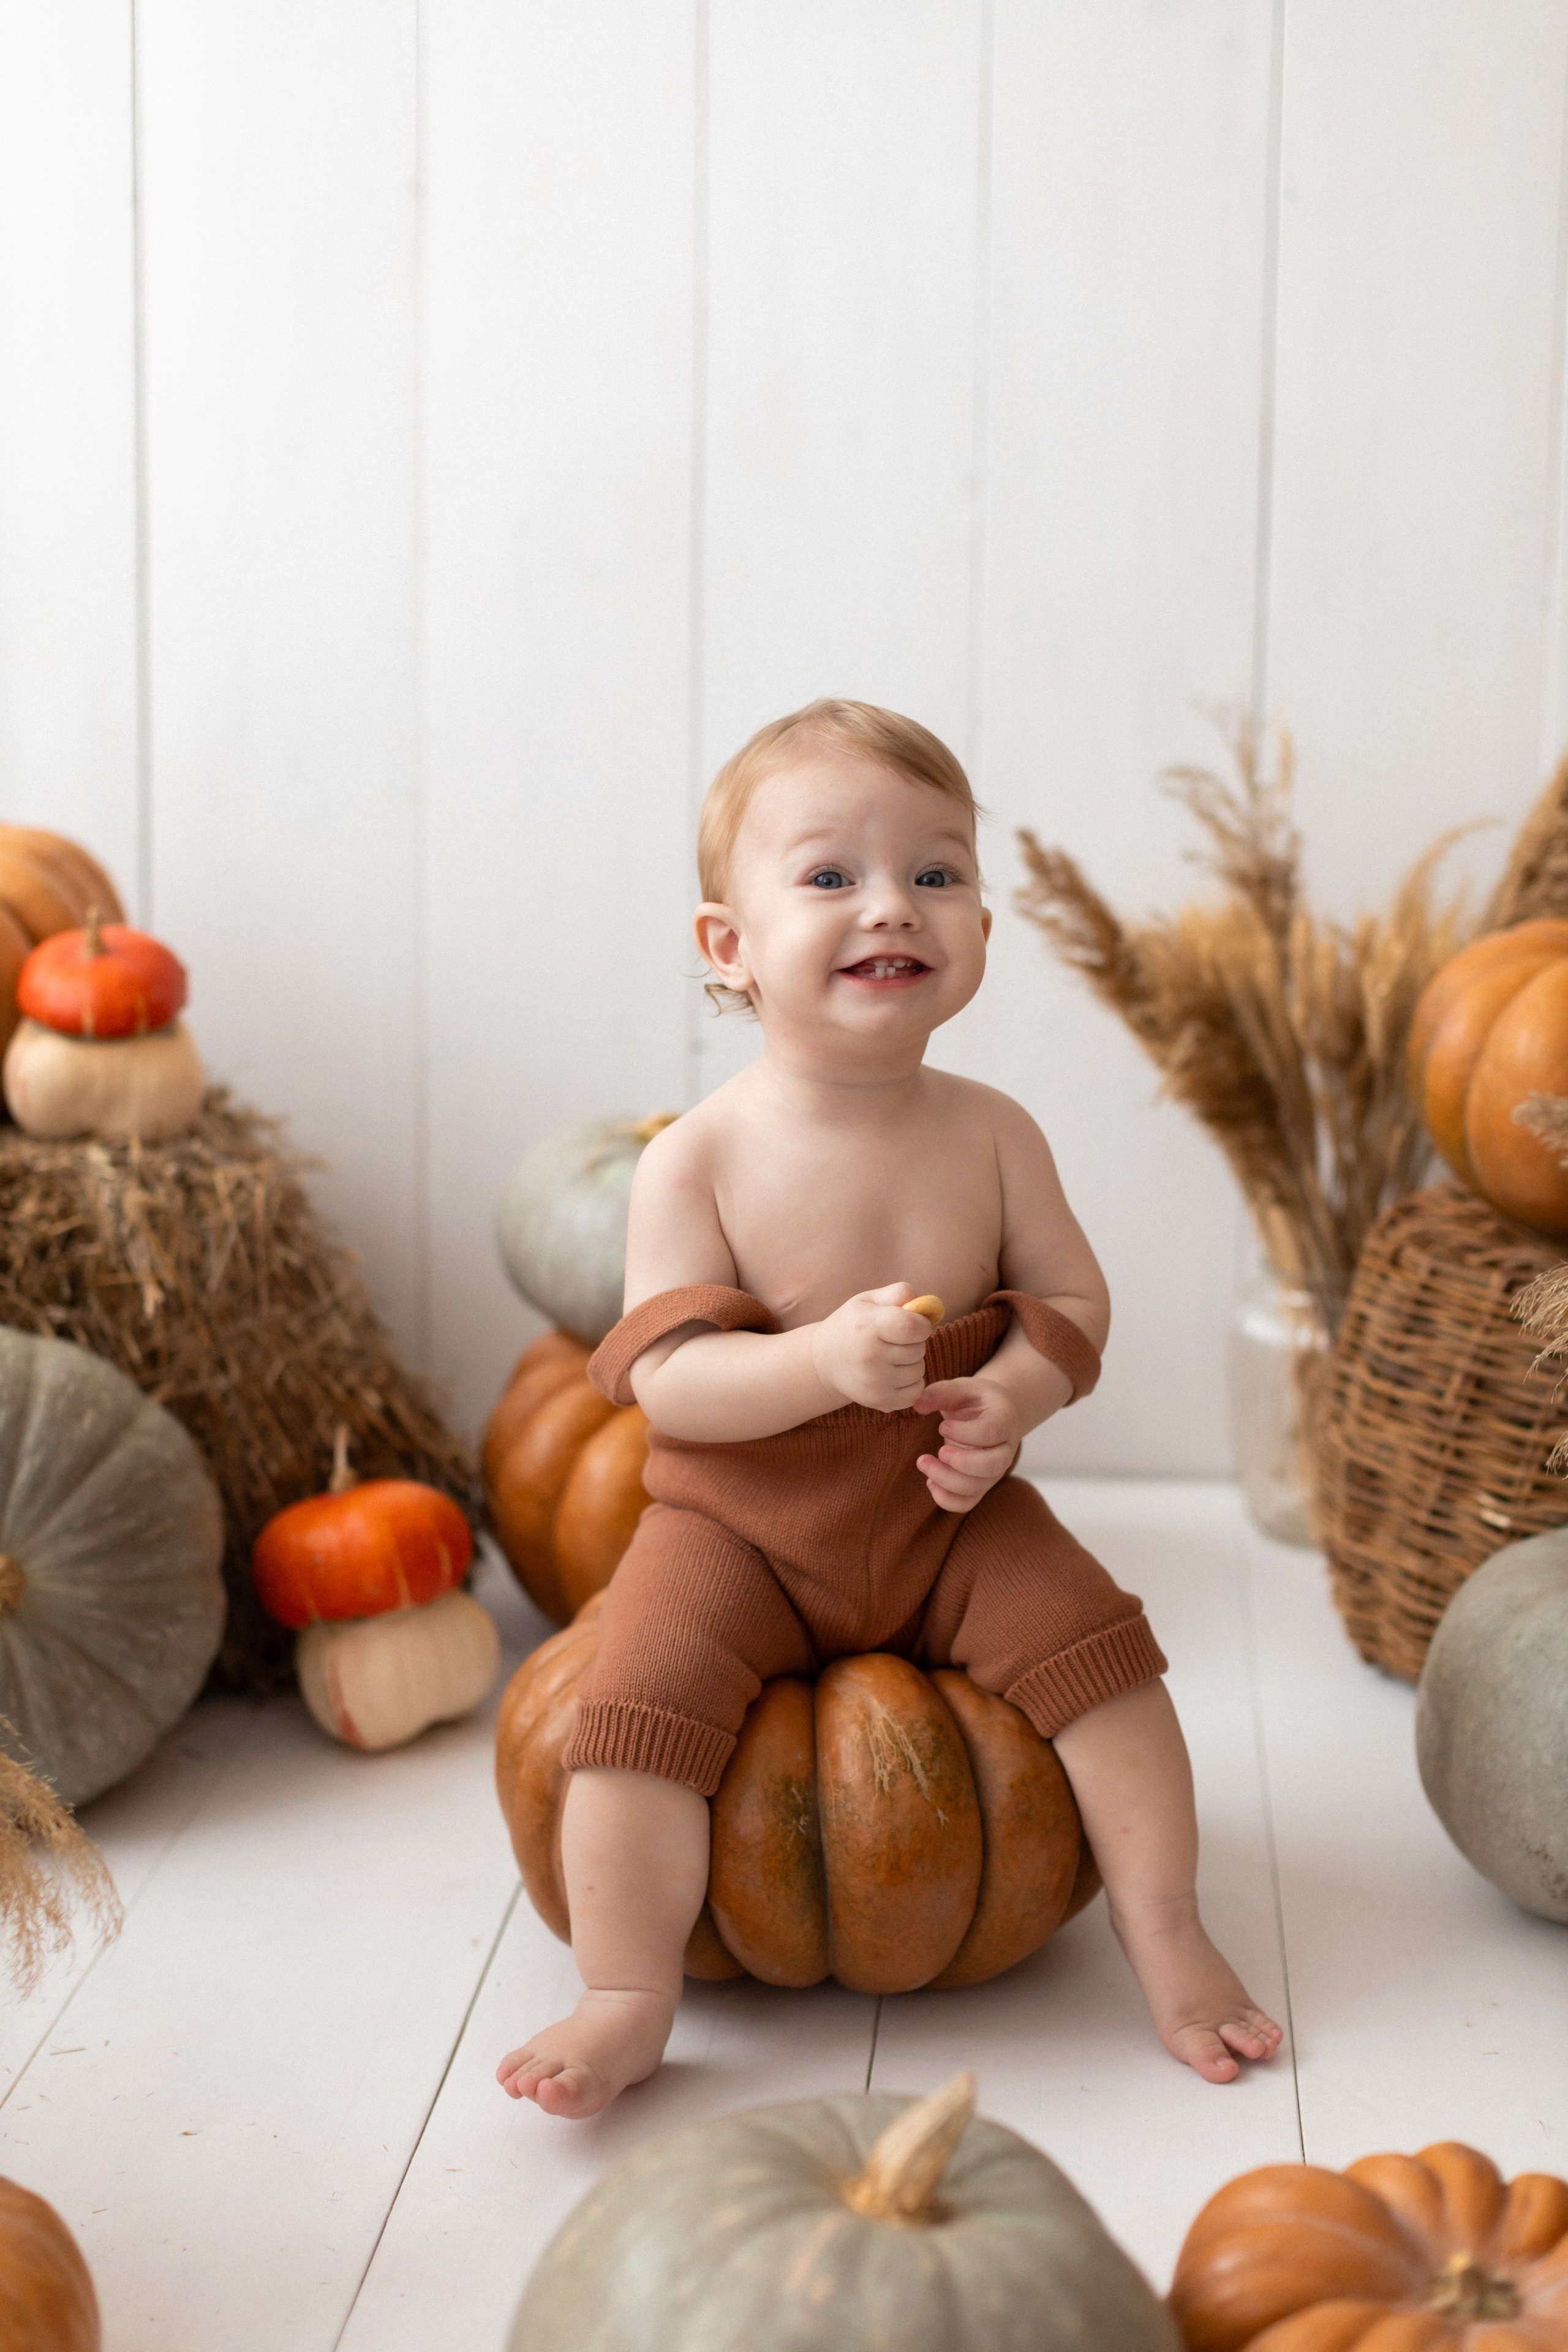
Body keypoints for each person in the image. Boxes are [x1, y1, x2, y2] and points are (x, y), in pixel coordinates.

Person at [498, 698, 1282, 2119]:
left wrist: (1011, 1395)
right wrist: (813, 1367)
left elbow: (1073, 1308)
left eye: (935, 873)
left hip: (945, 1516)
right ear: (726, 949)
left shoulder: (992, 1135)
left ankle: (1165, 1930)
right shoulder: (698, 1163)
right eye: (828, 876)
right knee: (626, 1717)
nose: (891, 907)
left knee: (1107, 1668)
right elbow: (665, 1377)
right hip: (739, 1526)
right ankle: (625, 1990)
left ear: (980, 927)